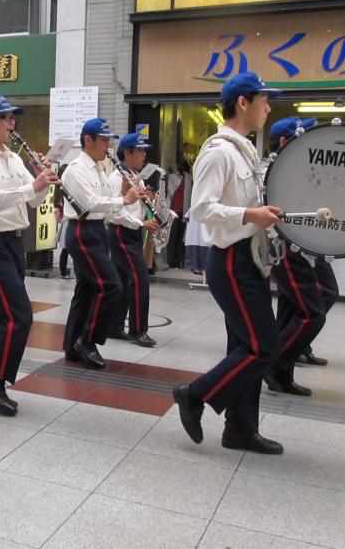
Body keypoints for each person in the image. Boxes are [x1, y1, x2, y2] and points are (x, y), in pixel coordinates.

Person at [173, 71, 286, 455]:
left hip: (248, 259)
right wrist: (252, 215)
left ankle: (240, 428)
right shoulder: (219, 152)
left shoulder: (246, 151)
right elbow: (201, 208)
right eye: (264, 101)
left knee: (244, 345)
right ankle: (194, 395)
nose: (268, 108)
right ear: (243, 103)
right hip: (232, 261)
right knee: (263, 348)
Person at [0, 94, 58, 415]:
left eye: (12, 118)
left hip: (15, 242)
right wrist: (31, 187)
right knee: (19, 315)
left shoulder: (14, 158)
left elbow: (32, 202)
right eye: (4, 118)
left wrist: (43, 179)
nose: (11, 123)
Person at [61, 118, 145, 369]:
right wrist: (125, 200)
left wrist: (124, 198)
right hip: (82, 231)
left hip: (96, 231)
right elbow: (91, 204)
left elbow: (108, 203)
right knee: (111, 286)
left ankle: (71, 345)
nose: (108, 146)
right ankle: (87, 341)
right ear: (88, 140)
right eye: (104, 140)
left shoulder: (99, 167)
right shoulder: (77, 169)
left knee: (86, 291)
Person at [264, 117, 338, 391]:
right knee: (311, 312)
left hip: (305, 246)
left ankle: (281, 373)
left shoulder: (298, 169)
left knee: (293, 310)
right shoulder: (276, 172)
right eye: (302, 134)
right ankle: (274, 363)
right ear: (284, 141)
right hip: (287, 246)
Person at [107, 132, 161, 347]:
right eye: (139, 150)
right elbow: (114, 212)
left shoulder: (134, 176)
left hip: (133, 232)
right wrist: (141, 223)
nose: (144, 154)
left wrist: (145, 200)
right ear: (127, 153)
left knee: (122, 280)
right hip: (122, 232)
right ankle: (138, 330)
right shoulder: (116, 178)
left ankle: (114, 325)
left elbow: (131, 206)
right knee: (139, 280)